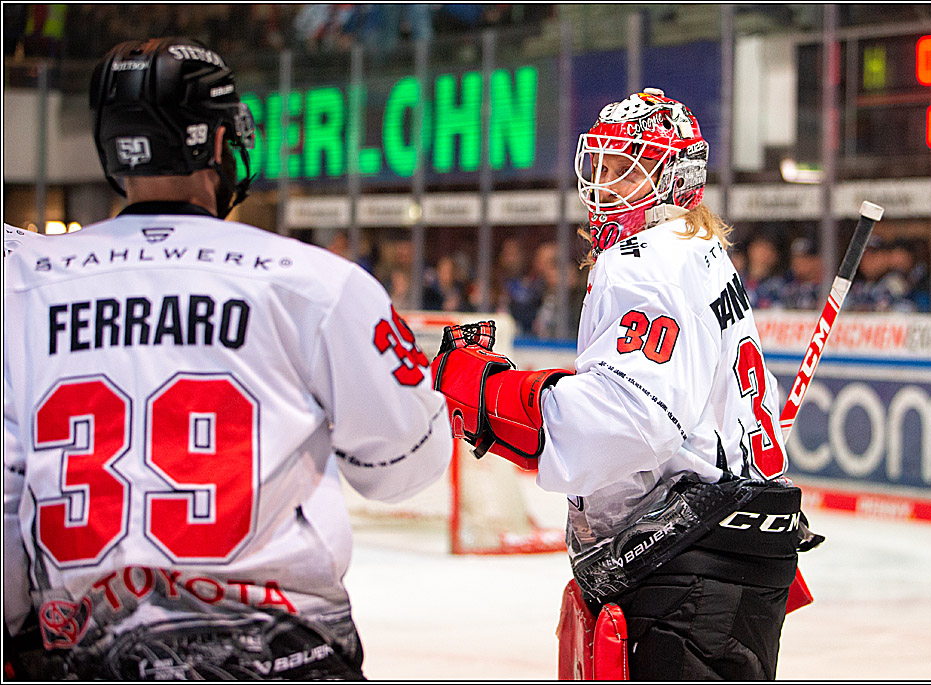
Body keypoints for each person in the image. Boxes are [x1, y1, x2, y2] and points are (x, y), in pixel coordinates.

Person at [3, 37, 453, 680]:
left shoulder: (26, 284)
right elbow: (405, 467)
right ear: (218, 142)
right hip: (283, 652)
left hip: (86, 652)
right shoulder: (316, 283)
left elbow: (10, 482)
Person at [431, 89, 819, 680]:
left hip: (687, 573)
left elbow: (631, 421)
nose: (605, 185)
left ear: (674, 176)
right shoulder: (698, 249)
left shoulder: (643, 260)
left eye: (627, 168)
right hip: (729, 558)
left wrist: (491, 397)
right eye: (602, 166)